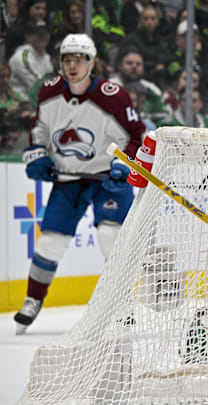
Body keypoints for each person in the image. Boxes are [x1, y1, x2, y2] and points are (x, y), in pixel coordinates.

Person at [14, 34, 145, 334]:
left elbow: (136, 135)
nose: (73, 66)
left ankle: (123, 304)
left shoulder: (113, 96)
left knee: (111, 238)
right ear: (60, 63)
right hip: (68, 179)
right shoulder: (48, 92)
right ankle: (33, 299)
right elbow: (41, 128)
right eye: (67, 59)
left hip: (107, 180)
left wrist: (123, 164)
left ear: (92, 62)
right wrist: (37, 155)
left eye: (80, 59)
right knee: (50, 242)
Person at [8, 20, 53, 98]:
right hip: (20, 104)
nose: (43, 36)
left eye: (45, 33)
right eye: (38, 34)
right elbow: (38, 87)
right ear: (27, 37)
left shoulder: (45, 56)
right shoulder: (22, 57)